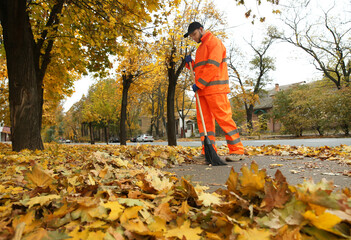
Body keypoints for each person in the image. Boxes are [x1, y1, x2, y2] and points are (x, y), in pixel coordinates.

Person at [184, 21, 245, 162]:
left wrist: (199, 84)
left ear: (201, 29)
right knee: (204, 123)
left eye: (194, 34)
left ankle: (237, 151)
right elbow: (200, 69)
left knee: (224, 118)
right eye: (191, 36)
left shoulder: (214, 43)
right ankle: (208, 152)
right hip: (203, 90)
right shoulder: (200, 48)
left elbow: (212, 66)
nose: (193, 38)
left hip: (215, 89)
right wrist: (190, 64)